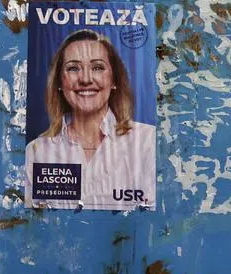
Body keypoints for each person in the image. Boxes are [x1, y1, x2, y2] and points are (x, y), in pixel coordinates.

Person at [24, 29, 156, 211]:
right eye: (73, 68)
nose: (85, 79)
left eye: (97, 68)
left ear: (114, 80)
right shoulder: (36, 152)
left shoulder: (148, 143)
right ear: (60, 83)